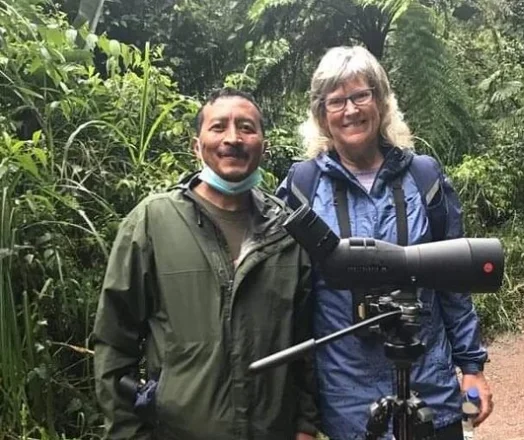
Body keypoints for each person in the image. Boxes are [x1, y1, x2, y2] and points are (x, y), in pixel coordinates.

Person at [276, 46, 493, 440]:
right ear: (321, 114)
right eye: (336, 101)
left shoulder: (423, 177)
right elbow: (290, 300)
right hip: (349, 400)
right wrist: (302, 411)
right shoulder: (303, 187)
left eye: (361, 95)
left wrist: (472, 369)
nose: (351, 110)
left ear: (380, 101)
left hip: (431, 387)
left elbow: (453, 283)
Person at [92, 88, 319, 440]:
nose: (233, 138)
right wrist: (127, 432)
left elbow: (306, 342)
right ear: (196, 146)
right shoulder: (153, 222)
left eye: (246, 128)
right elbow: (114, 341)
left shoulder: (287, 231)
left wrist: (305, 424)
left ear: (264, 146)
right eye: (218, 127)